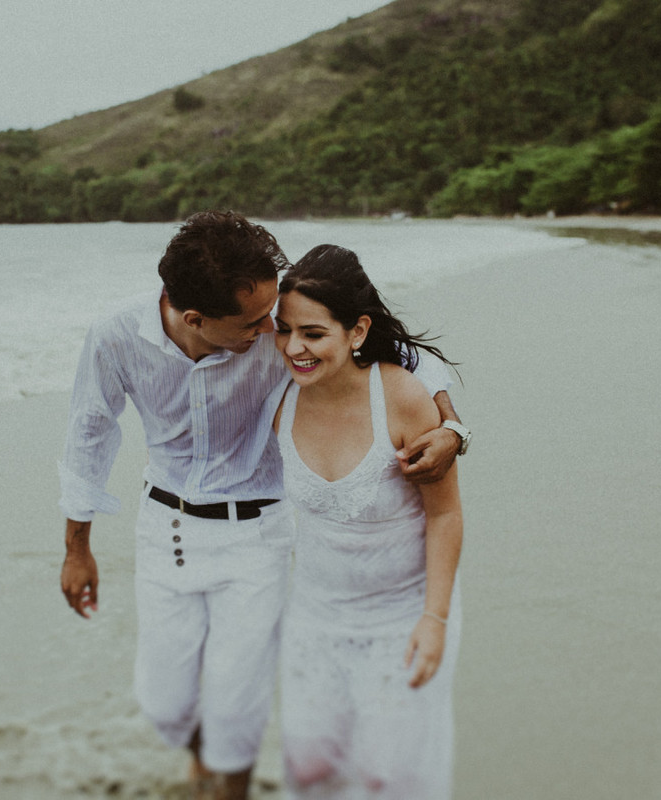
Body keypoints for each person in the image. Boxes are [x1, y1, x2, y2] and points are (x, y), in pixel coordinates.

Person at [57, 212, 468, 799]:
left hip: (256, 534)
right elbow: (88, 435)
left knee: (237, 708)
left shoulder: (277, 331)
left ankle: (230, 787)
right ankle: (200, 760)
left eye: (276, 318)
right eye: (257, 324)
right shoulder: (119, 336)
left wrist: (453, 425)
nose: (274, 331)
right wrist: (77, 547)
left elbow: (389, 348)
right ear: (194, 318)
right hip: (163, 529)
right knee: (165, 704)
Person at [271, 244, 464, 798]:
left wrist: (435, 620)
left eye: (312, 333)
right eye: (284, 331)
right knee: (311, 771)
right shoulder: (278, 396)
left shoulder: (401, 399)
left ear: (356, 332)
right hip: (314, 616)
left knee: (390, 779)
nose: (293, 348)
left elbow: (446, 515)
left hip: (401, 617)